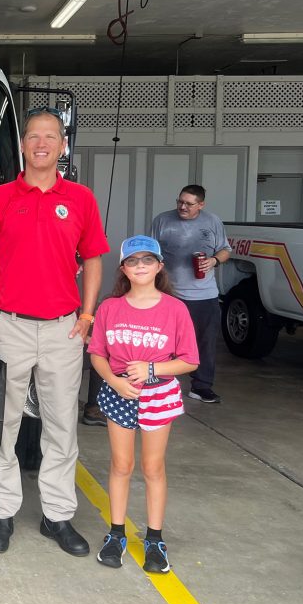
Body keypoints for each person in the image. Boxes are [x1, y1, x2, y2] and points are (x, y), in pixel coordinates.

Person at [0, 107, 108, 558]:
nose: (41, 143)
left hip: (64, 329)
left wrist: (87, 316)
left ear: (63, 145)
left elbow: (93, 260)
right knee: (3, 425)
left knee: (62, 426)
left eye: (50, 136)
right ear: (22, 145)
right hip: (8, 327)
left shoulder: (81, 198)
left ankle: (57, 515)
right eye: (33, 136)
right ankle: (1, 512)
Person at [88, 235, 199, 573]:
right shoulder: (110, 307)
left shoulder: (175, 309)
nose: (140, 266)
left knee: (153, 467)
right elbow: (97, 354)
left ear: (159, 266)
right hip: (119, 392)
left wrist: (153, 369)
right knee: (121, 465)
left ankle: (154, 539)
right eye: (133, 261)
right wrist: (114, 381)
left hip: (159, 394)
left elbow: (190, 360)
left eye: (147, 260)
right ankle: (116, 533)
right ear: (123, 268)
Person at [151, 185, 231, 404]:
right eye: (180, 202)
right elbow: (152, 253)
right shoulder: (162, 221)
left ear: (201, 205)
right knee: (163, 341)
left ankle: (201, 386)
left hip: (204, 295)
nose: (182, 207)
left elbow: (225, 250)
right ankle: (159, 384)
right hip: (169, 293)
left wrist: (214, 260)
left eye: (189, 204)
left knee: (205, 342)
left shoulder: (212, 222)